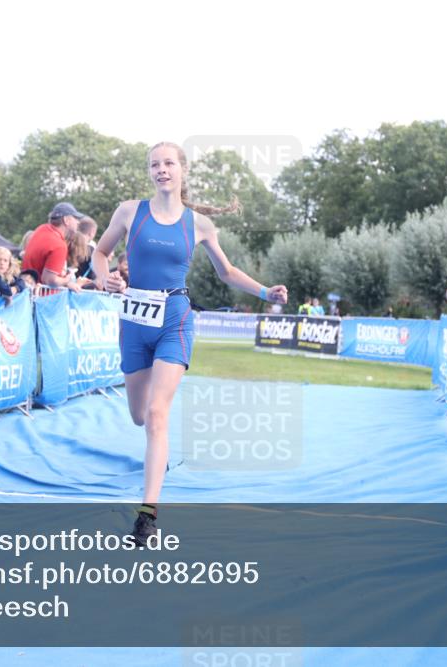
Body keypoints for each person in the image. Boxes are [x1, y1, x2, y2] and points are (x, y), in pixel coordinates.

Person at [90, 141, 288, 544]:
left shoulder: (199, 224)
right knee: (140, 416)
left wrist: (267, 293)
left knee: (158, 414)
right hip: (133, 320)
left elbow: (227, 272)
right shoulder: (129, 212)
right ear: (149, 172)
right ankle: (155, 455)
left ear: (181, 170)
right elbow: (100, 252)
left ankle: (147, 514)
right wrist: (103, 277)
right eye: (154, 164)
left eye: (168, 163)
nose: (161, 170)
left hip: (175, 319)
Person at [22, 202, 85, 292]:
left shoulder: (41, 229)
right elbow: (49, 279)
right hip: (44, 300)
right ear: (66, 220)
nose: (78, 222)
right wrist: (67, 280)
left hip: (29, 295)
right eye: (75, 218)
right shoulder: (59, 245)